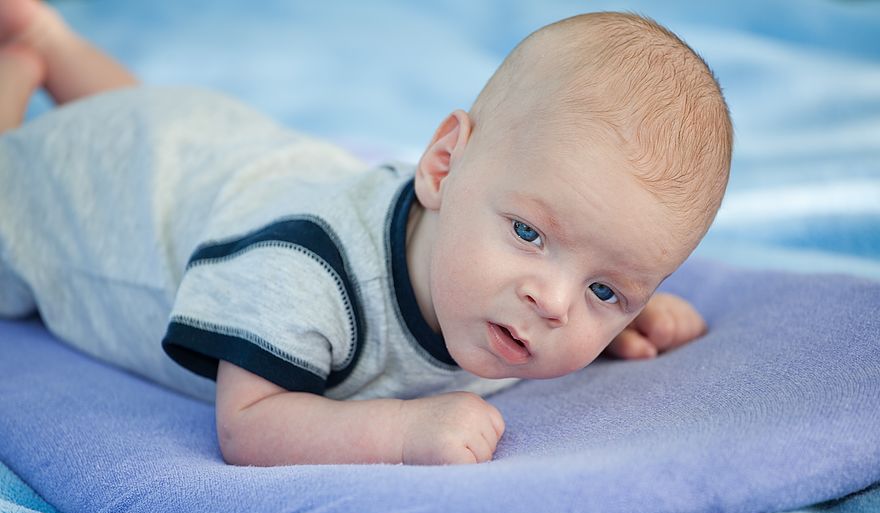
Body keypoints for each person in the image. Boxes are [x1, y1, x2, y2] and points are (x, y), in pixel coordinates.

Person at [0, 1, 732, 466]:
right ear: (443, 166)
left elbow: (583, 272)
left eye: (607, 290)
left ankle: (45, 39)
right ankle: (20, 68)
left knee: (154, 121)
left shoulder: (507, 286)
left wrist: (620, 322)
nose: (553, 302)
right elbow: (247, 425)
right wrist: (401, 435)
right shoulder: (305, 279)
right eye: (530, 234)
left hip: (214, 151)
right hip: (96, 205)